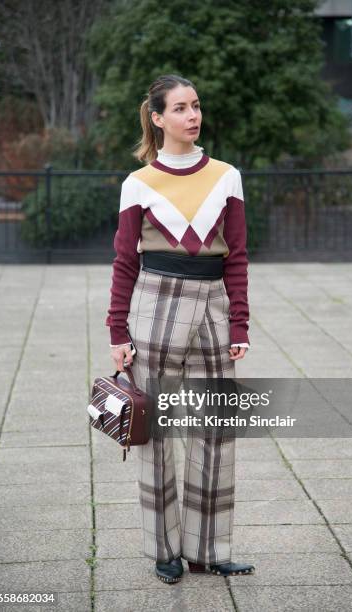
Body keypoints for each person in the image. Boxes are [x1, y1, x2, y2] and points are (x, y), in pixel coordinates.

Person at [106, 74, 254, 584]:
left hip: (214, 306)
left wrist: (240, 322)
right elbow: (125, 262)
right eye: (181, 108)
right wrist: (116, 334)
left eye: (196, 106)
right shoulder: (137, 184)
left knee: (217, 428)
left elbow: (237, 256)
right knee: (156, 432)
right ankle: (164, 550)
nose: (193, 116)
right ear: (158, 118)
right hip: (155, 304)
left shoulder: (227, 176)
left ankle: (209, 550)